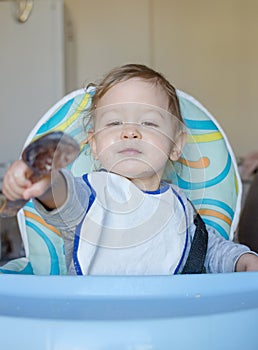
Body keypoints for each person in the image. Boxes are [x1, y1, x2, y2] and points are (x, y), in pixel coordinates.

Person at [2, 64, 258, 275]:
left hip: (167, 321)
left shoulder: (182, 209)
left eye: (149, 122)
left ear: (176, 145)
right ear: (94, 144)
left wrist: (241, 260)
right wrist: (44, 180)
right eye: (114, 122)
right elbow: (62, 197)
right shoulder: (89, 195)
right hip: (93, 320)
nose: (130, 132)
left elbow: (210, 251)